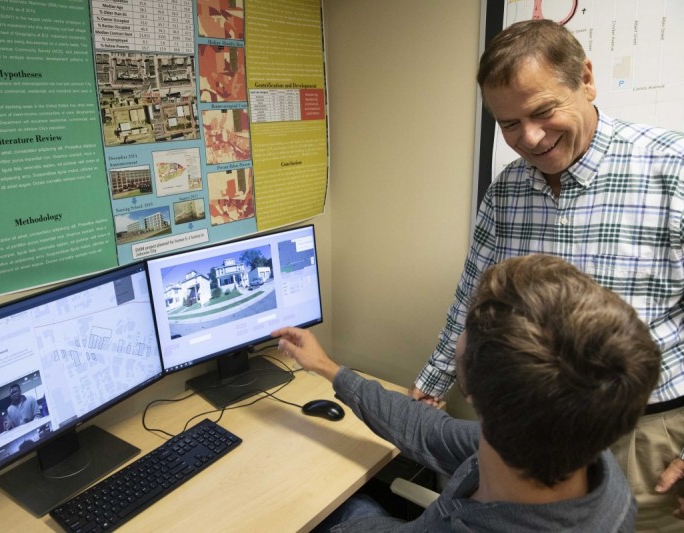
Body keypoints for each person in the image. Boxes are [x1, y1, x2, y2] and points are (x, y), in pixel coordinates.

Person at [410, 19, 684, 528]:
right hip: (534, 438)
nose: (530, 138)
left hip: (647, 438)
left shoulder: (673, 169)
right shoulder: (508, 189)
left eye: (542, 112)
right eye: (509, 124)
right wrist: (431, 385)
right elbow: (473, 295)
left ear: (586, 79)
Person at [274, 254, 660, 531]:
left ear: (473, 385)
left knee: (326, 508)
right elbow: (429, 430)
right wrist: (328, 368)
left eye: (467, 324)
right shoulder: (588, 458)